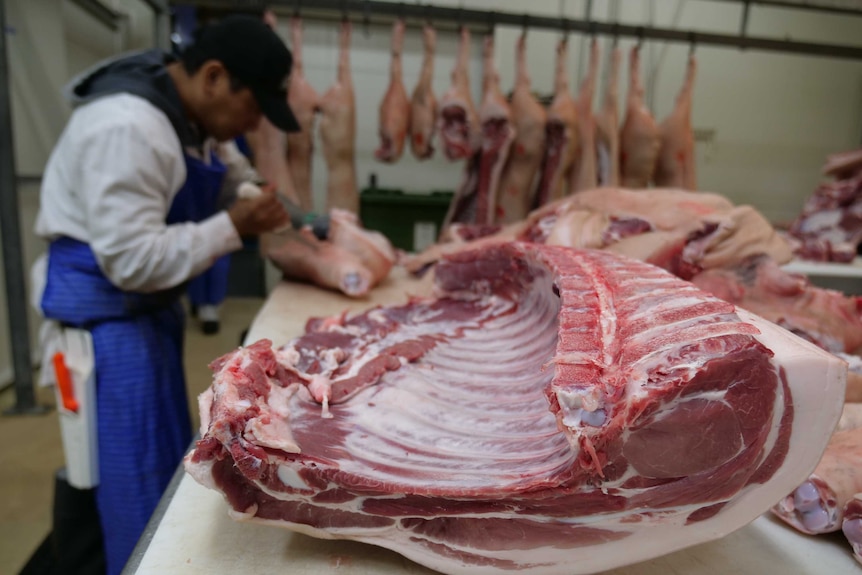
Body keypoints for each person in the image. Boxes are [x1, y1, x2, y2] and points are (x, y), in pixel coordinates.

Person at [31, 15, 296, 575]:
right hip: (106, 324)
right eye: (252, 109)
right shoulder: (129, 125)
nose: (251, 124)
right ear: (216, 78)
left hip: (143, 315)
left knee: (158, 460)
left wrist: (252, 196)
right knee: (125, 474)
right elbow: (130, 261)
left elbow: (227, 173)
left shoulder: (192, 119)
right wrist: (234, 224)